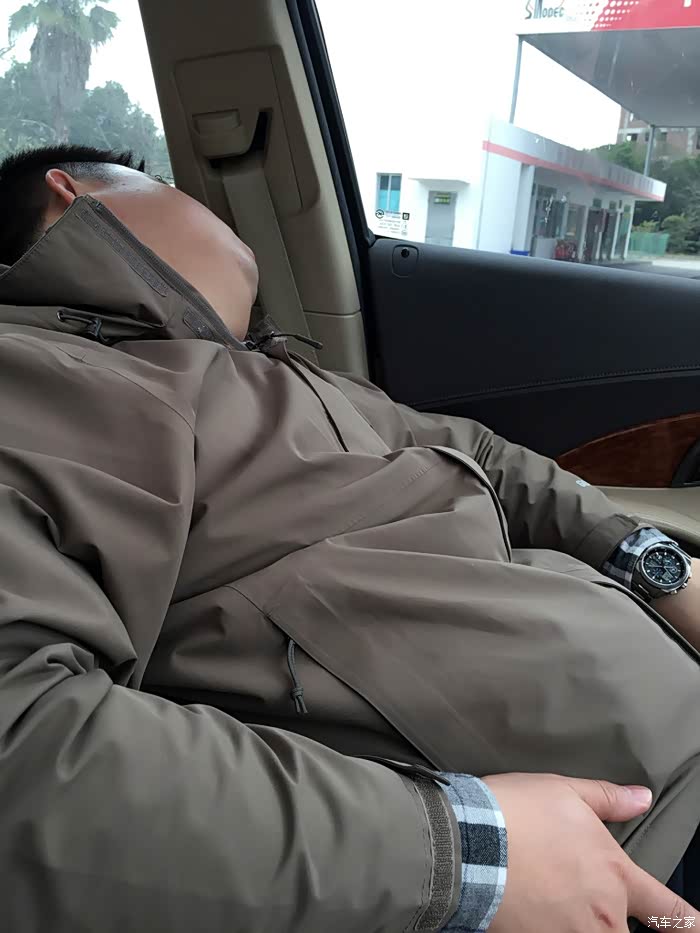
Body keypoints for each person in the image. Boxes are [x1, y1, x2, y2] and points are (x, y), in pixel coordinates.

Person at [0, 144, 697, 933]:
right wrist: (467, 853)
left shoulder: (284, 374)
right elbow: (24, 744)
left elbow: (483, 450)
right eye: (166, 182)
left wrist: (659, 567)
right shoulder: (42, 377)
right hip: (622, 859)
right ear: (70, 194)